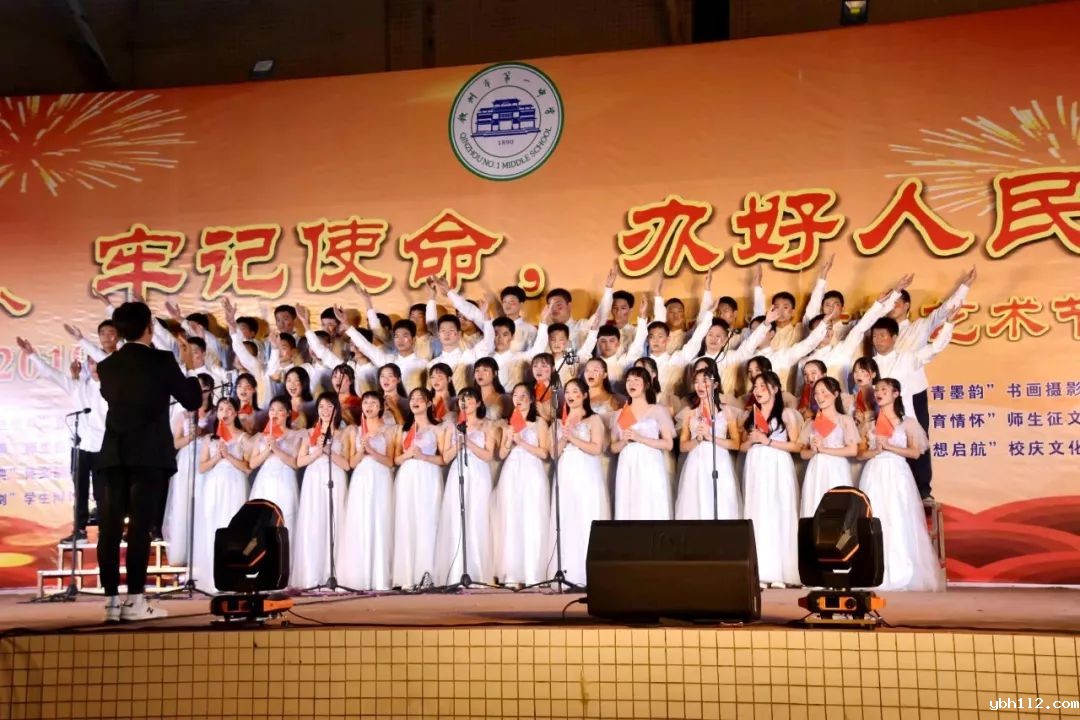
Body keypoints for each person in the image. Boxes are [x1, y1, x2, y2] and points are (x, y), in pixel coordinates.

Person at [94, 301, 202, 622]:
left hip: (113, 454)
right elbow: (192, 400)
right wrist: (190, 369)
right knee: (140, 528)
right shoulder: (162, 360)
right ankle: (136, 601)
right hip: (149, 455)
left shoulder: (107, 366)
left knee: (110, 529)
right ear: (149, 328)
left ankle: (111, 603)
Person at [17, 338, 108, 543]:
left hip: (104, 446)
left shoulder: (114, 388)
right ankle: (80, 531)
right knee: (80, 491)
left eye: (98, 361)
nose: (95, 366)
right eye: (91, 362)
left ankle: (108, 531)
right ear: (88, 364)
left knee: (103, 492)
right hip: (80, 446)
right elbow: (51, 374)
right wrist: (31, 354)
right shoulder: (78, 386)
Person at [857, 379, 944, 591]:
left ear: (895, 394)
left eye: (884, 390)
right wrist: (875, 451)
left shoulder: (907, 422)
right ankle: (873, 571)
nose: (879, 393)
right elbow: (860, 454)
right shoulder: (870, 423)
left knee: (897, 518)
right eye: (877, 390)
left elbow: (915, 452)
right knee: (874, 519)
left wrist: (890, 447)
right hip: (874, 472)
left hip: (897, 473)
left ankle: (901, 573)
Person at [739, 370, 802, 588]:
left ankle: (780, 572)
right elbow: (742, 446)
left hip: (777, 465)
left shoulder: (786, 415)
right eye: (755, 387)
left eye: (762, 387)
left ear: (774, 389)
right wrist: (753, 440)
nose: (758, 391)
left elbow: (796, 445)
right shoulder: (751, 415)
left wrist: (768, 441)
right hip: (756, 466)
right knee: (758, 513)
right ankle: (760, 571)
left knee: (778, 512)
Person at [547, 378, 608, 586]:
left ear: (584, 395)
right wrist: (564, 436)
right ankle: (567, 572)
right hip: (565, 471)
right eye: (568, 392)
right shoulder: (559, 422)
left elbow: (596, 448)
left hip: (586, 471)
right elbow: (553, 453)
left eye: (575, 391)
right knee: (567, 517)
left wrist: (573, 438)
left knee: (585, 515)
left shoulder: (593, 419)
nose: (570, 396)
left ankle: (587, 574)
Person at [435, 387, 498, 585]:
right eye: (462, 399)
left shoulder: (487, 425)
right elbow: (446, 457)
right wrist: (459, 444)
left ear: (478, 403)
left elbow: (488, 455)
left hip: (478, 472)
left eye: (470, 399)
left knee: (477, 517)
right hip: (458, 471)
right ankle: (457, 572)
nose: (466, 403)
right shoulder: (452, 427)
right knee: (457, 517)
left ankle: (478, 572)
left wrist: (468, 442)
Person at [192, 397, 253, 593]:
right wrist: (217, 457)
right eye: (220, 409)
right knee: (213, 525)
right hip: (214, 485)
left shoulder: (243, 437)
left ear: (235, 413)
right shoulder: (210, 439)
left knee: (233, 526)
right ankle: (213, 577)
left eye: (228, 409)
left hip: (234, 483)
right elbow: (202, 467)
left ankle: (234, 575)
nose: (224, 413)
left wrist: (228, 456)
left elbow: (247, 467)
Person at [494, 383, 551, 587]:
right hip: (511, 472)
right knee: (512, 519)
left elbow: (544, 453)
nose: (519, 399)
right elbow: (502, 454)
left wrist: (522, 442)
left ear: (531, 399)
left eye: (523, 395)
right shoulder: (508, 423)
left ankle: (532, 573)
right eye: (515, 395)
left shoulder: (539, 423)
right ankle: (512, 573)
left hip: (532, 471)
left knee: (532, 519)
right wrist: (509, 439)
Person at [338, 392, 397, 591]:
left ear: (380, 407)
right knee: (360, 521)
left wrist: (372, 451)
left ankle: (380, 577)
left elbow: (390, 461)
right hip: (361, 478)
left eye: (373, 403)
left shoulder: (389, 430)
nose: (369, 406)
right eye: (366, 403)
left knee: (380, 521)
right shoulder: (354, 431)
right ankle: (359, 577)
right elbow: (350, 463)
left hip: (380, 477)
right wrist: (362, 451)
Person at [293, 392, 351, 589]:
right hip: (313, 479)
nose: (325, 411)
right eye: (321, 407)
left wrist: (327, 450)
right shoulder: (309, 433)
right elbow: (300, 461)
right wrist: (317, 451)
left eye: (329, 406)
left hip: (335, 478)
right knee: (314, 523)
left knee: (334, 522)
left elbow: (347, 464)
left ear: (336, 410)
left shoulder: (344, 433)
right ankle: (313, 575)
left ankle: (333, 573)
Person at [391, 388, 446, 590]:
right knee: (407, 523)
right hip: (407, 477)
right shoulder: (404, 430)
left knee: (427, 523)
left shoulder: (437, 428)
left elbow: (443, 459)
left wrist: (423, 456)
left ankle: (427, 574)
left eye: (420, 399)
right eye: (412, 398)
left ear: (429, 403)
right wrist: (408, 455)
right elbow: (395, 459)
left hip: (428, 475)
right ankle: (407, 576)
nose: (415, 401)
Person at [161, 373, 215, 566]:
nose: (200, 394)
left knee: (204, 502)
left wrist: (206, 433)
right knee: (184, 503)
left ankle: (203, 551)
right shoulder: (183, 415)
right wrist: (190, 437)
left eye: (204, 390)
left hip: (207, 459)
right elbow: (175, 443)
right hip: (187, 460)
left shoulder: (216, 413)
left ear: (210, 391)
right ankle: (183, 551)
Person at [675, 368, 741, 521]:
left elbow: (736, 443)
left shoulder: (726, 411)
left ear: (715, 385)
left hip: (719, 461)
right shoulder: (690, 413)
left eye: (704, 382)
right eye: (696, 382)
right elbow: (682, 446)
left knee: (720, 502)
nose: (700, 386)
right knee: (695, 503)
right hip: (696, 462)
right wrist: (697, 439)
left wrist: (710, 437)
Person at [609, 367, 675, 520]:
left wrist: (640, 438)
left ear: (646, 385)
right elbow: (613, 447)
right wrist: (624, 441)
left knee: (650, 503)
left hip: (650, 462)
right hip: (628, 463)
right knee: (629, 503)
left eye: (636, 380)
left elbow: (668, 444)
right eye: (628, 381)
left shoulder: (657, 410)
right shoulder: (620, 413)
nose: (631, 384)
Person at [797, 377, 859, 518]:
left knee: (837, 509)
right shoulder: (812, 423)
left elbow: (852, 450)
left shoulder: (845, 420)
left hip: (836, 468)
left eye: (824, 392)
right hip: (816, 469)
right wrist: (813, 450)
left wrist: (824, 449)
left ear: (835, 394)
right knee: (814, 506)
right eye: (816, 393)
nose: (819, 396)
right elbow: (802, 453)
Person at [247, 396, 303, 547]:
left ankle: (284, 557)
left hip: (285, 479)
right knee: (261, 521)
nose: (275, 413)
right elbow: (253, 463)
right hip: (265, 480)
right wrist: (268, 449)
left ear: (288, 413)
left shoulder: (295, 435)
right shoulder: (262, 436)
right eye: (272, 410)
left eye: (280, 410)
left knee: (285, 518)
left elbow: (295, 463)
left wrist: (277, 449)